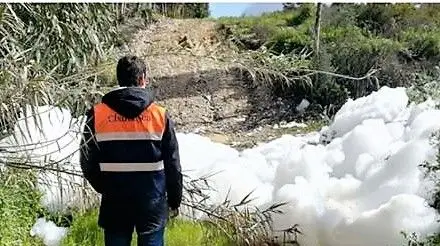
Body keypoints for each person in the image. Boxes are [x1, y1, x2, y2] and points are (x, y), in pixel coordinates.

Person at [79, 55, 183, 246]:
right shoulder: (159, 115)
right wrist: (174, 200)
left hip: (115, 201)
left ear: (118, 80)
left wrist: (106, 188)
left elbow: (87, 161)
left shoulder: (98, 115)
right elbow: (173, 164)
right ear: (143, 78)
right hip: (152, 201)